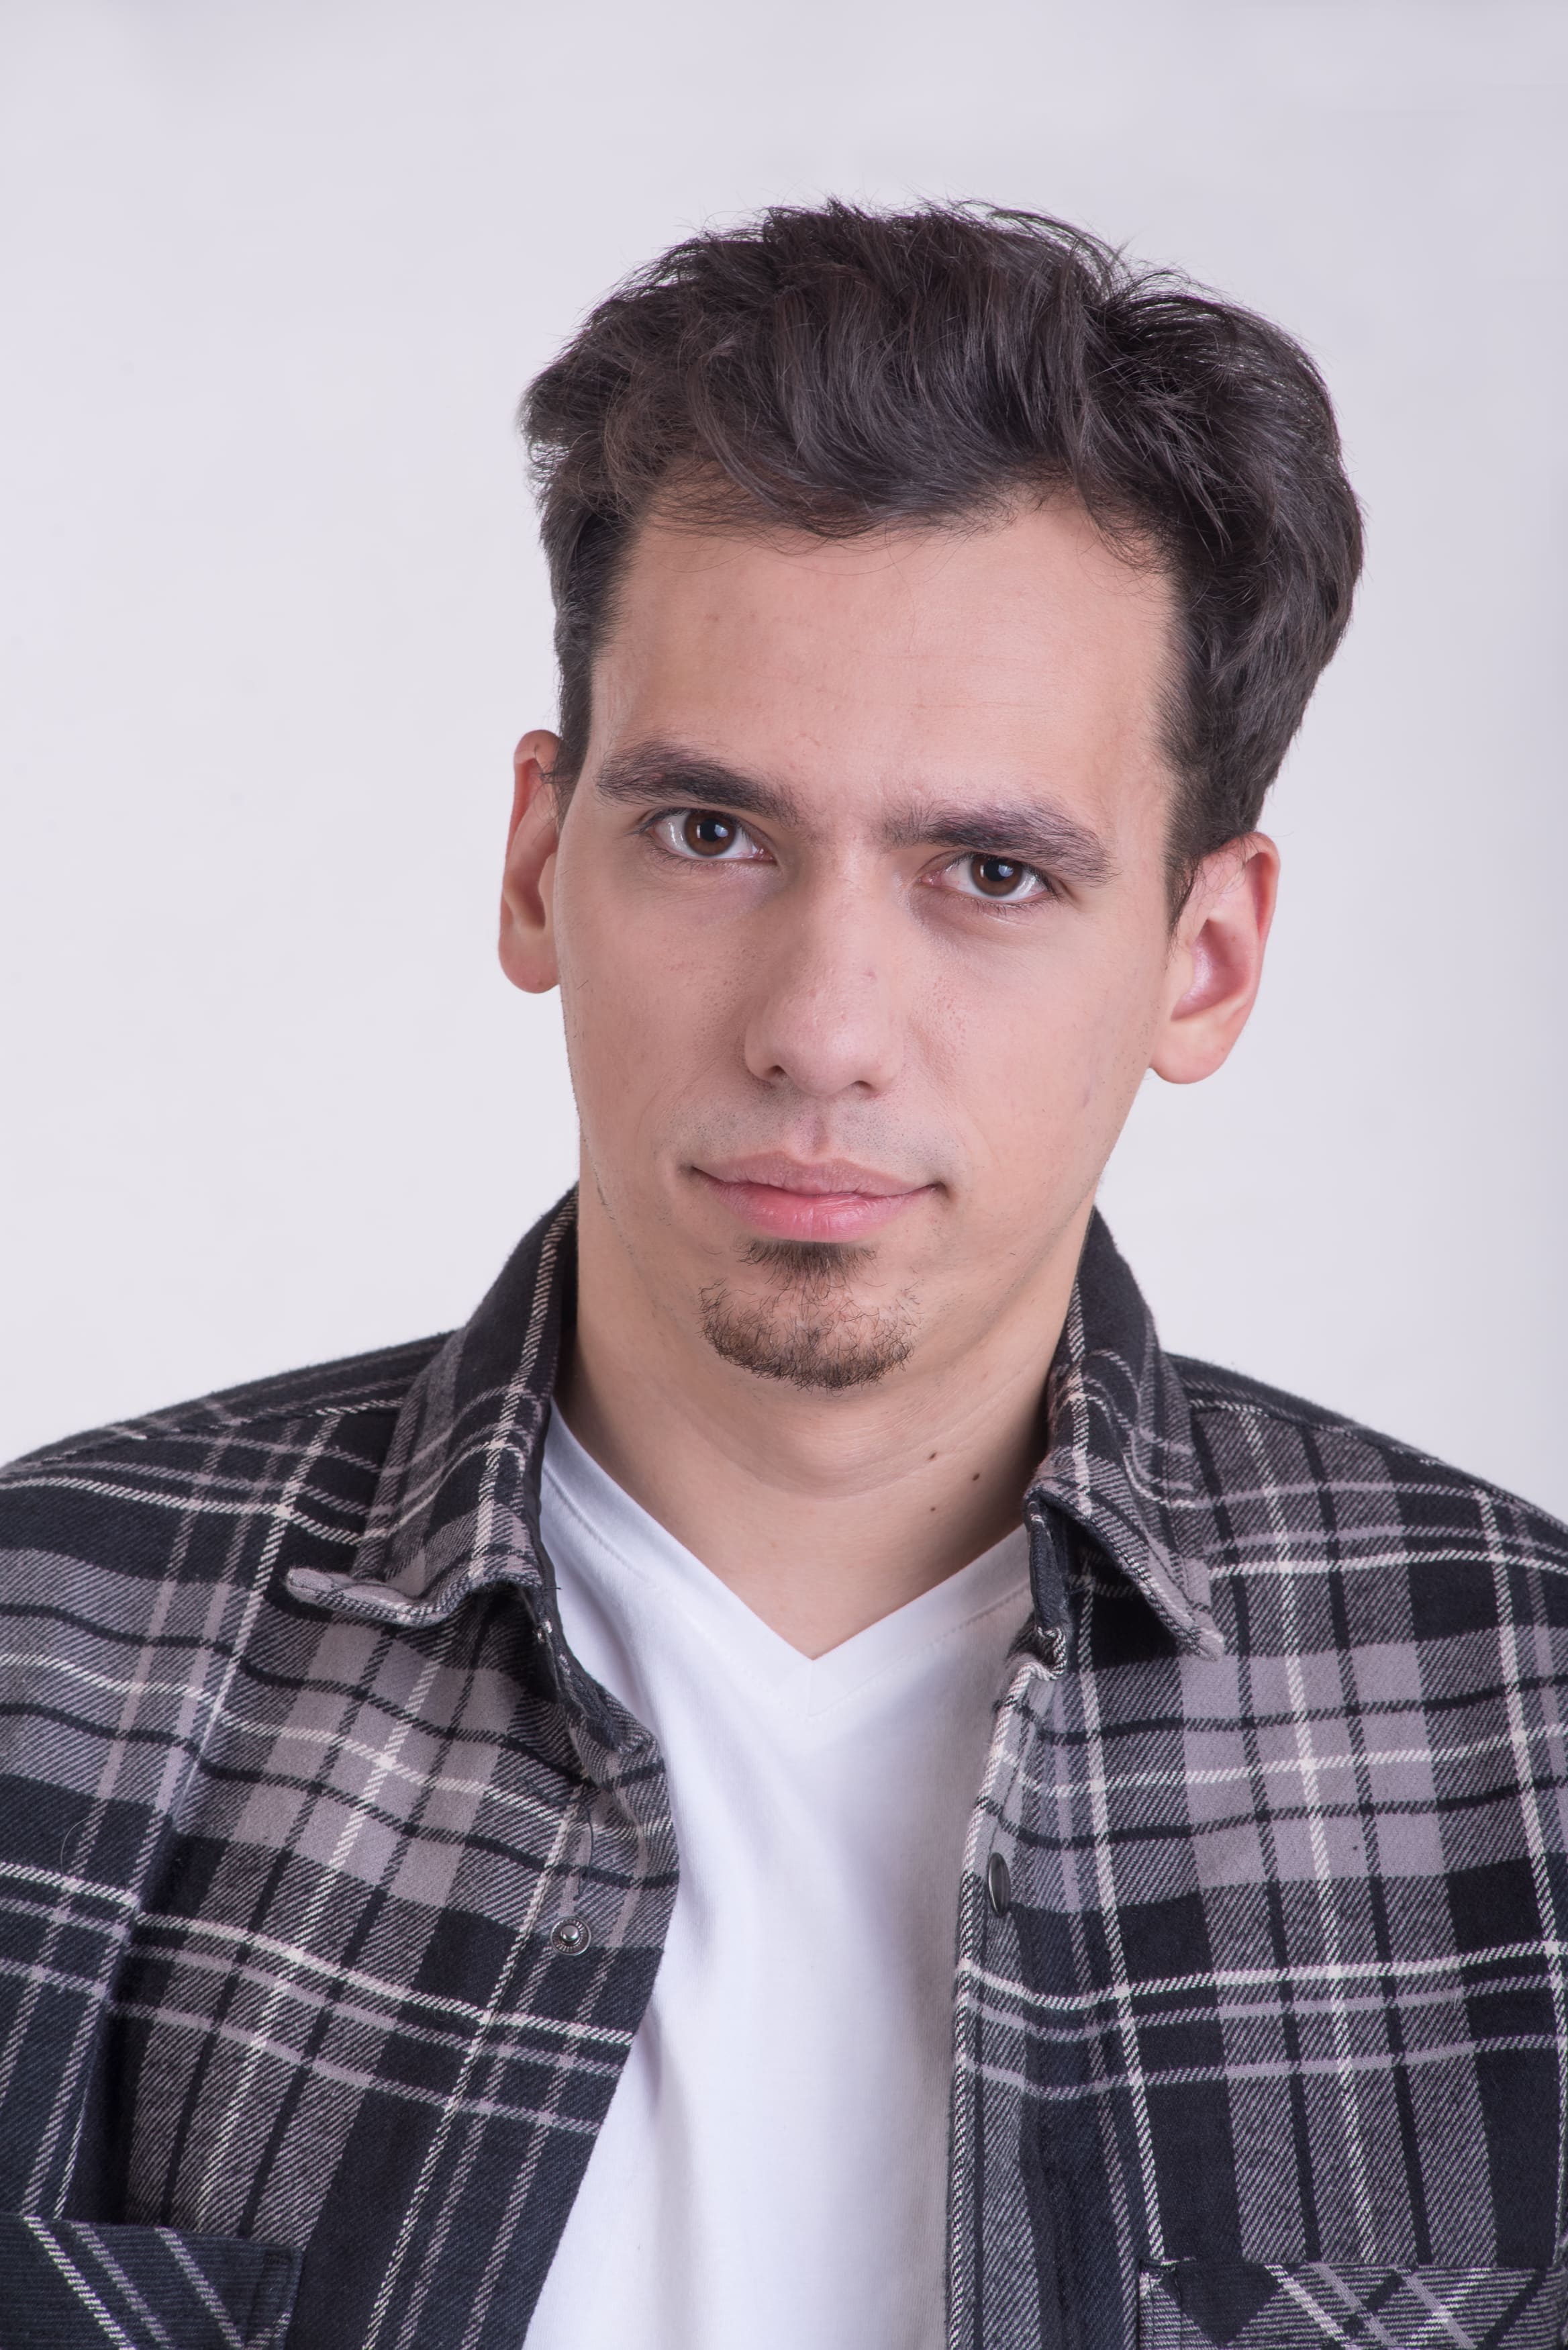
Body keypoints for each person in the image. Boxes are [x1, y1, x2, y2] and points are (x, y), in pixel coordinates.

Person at [0, 201, 1562, 2350]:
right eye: (711, 833)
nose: (822, 1028)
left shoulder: (1531, 1739)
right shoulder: (41, 1669)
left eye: (991, 871)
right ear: (538, 859)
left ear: (1204, 959)